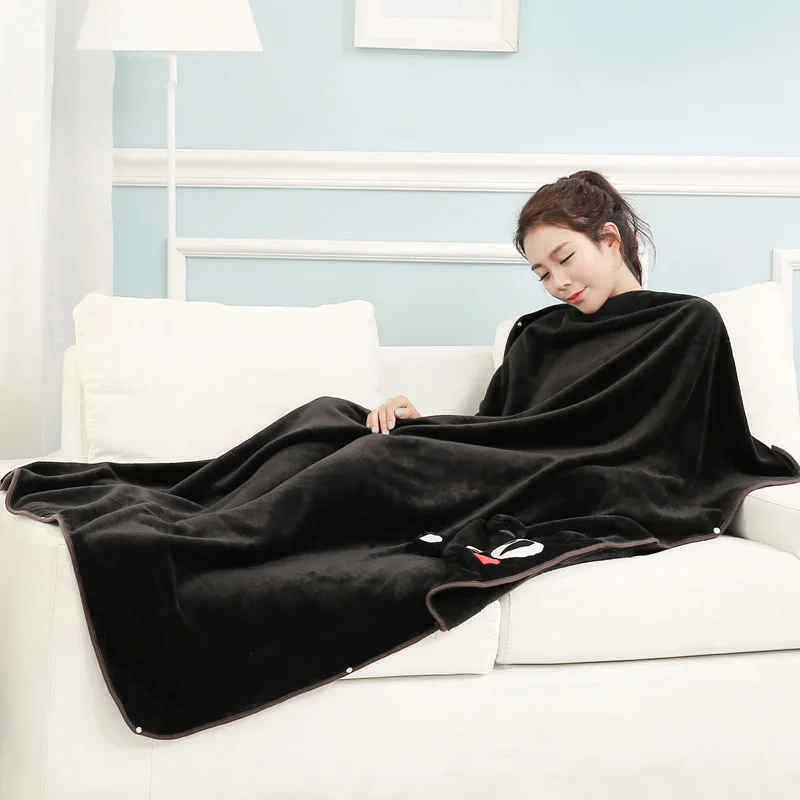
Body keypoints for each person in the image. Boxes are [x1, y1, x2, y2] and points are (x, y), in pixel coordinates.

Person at [366, 169, 655, 435]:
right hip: (503, 466)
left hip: (575, 471)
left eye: (565, 258)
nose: (558, 283)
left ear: (609, 239)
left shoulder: (676, 328)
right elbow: (487, 433)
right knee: (342, 417)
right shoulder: (537, 337)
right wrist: (418, 428)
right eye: (543, 275)